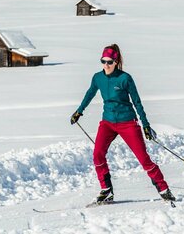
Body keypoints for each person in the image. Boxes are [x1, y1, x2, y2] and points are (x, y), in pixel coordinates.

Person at [70, 44, 176, 204]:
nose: (106, 65)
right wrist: (79, 111)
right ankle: (106, 190)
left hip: (128, 123)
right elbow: (89, 94)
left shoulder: (125, 78)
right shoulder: (97, 78)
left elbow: (137, 103)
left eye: (110, 62)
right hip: (107, 123)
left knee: (143, 159)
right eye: (103, 61)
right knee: (97, 154)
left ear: (116, 61)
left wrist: (145, 125)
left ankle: (163, 189)